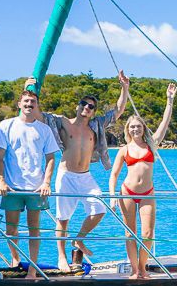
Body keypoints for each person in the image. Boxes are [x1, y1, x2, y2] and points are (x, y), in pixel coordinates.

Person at [24, 72, 130, 271]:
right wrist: (29, 89)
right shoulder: (63, 122)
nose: (87, 108)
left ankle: (79, 239)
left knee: (99, 209)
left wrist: (125, 88)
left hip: (86, 176)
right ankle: (62, 257)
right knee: (63, 218)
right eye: (84, 104)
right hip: (66, 175)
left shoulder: (96, 126)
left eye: (91, 106)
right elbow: (37, 114)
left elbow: (118, 110)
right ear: (77, 106)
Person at [108, 83, 177, 279]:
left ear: (143, 128)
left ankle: (143, 267)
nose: (136, 129)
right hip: (127, 192)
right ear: (128, 130)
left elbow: (164, 123)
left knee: (147, 233)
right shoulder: (124, 149)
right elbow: (113, 174)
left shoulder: (151, 145)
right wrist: (113, 196)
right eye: (132, 127)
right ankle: (134, 270)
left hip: (147, 193)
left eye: (138, 126)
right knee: (130, 233)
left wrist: (169, 101)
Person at [0, 90, 59, 279]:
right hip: (12, 187)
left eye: (33, 102)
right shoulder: (6, 126)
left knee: (34, 228)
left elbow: (51, 158)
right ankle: (15, 262)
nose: (29, 104)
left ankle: (32, 268)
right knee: (11, 228)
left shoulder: (44, 130)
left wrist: (47, 182)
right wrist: (1, 181)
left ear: (37, 105)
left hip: (36, 188)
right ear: (19, 104)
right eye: (26, 101)